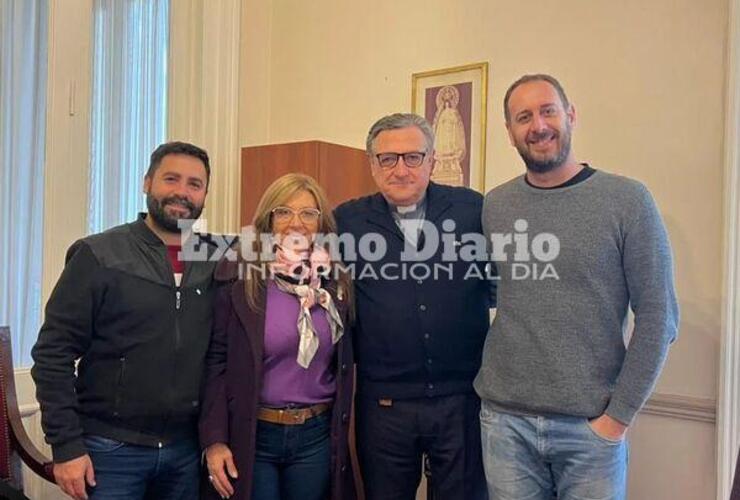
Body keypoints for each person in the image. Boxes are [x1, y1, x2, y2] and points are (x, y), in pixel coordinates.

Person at [474, 74, 679, 500]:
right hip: (504, 425)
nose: (538, 125)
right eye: (523, 117)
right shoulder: (495, 205)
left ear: (570, 115)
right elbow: (496, 292)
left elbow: (659, 316)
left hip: (591, 431)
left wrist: (617, 419)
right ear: (510, 133)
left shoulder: (627, 200)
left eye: (548, 110)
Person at [31, 141, 220, 499]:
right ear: (147, 182)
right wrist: (67, 445)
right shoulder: (98, 254)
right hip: (110, 449)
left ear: (205, 194)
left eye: (194, 184)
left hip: (185, 451)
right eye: (171, 179)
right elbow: (52, 353)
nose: (182, 192)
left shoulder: (215, 259)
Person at [334, 113, 491, 500]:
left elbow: (500, 285)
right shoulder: (347, 221)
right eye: (388, 158)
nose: (400, 169)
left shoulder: (473, 211)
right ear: (372, 165)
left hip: (461, 400)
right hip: (384, 405)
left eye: (413, 157)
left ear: (433, 161)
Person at [200, 173, 355, 500]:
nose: (295, 223)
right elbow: (215, 362)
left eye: (308, 214)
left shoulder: (334, 279)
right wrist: (214, 440)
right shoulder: (240, 275)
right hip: (255, 433)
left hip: (315, 435)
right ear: (268, 219)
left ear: (321, 223)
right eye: (284, 211)